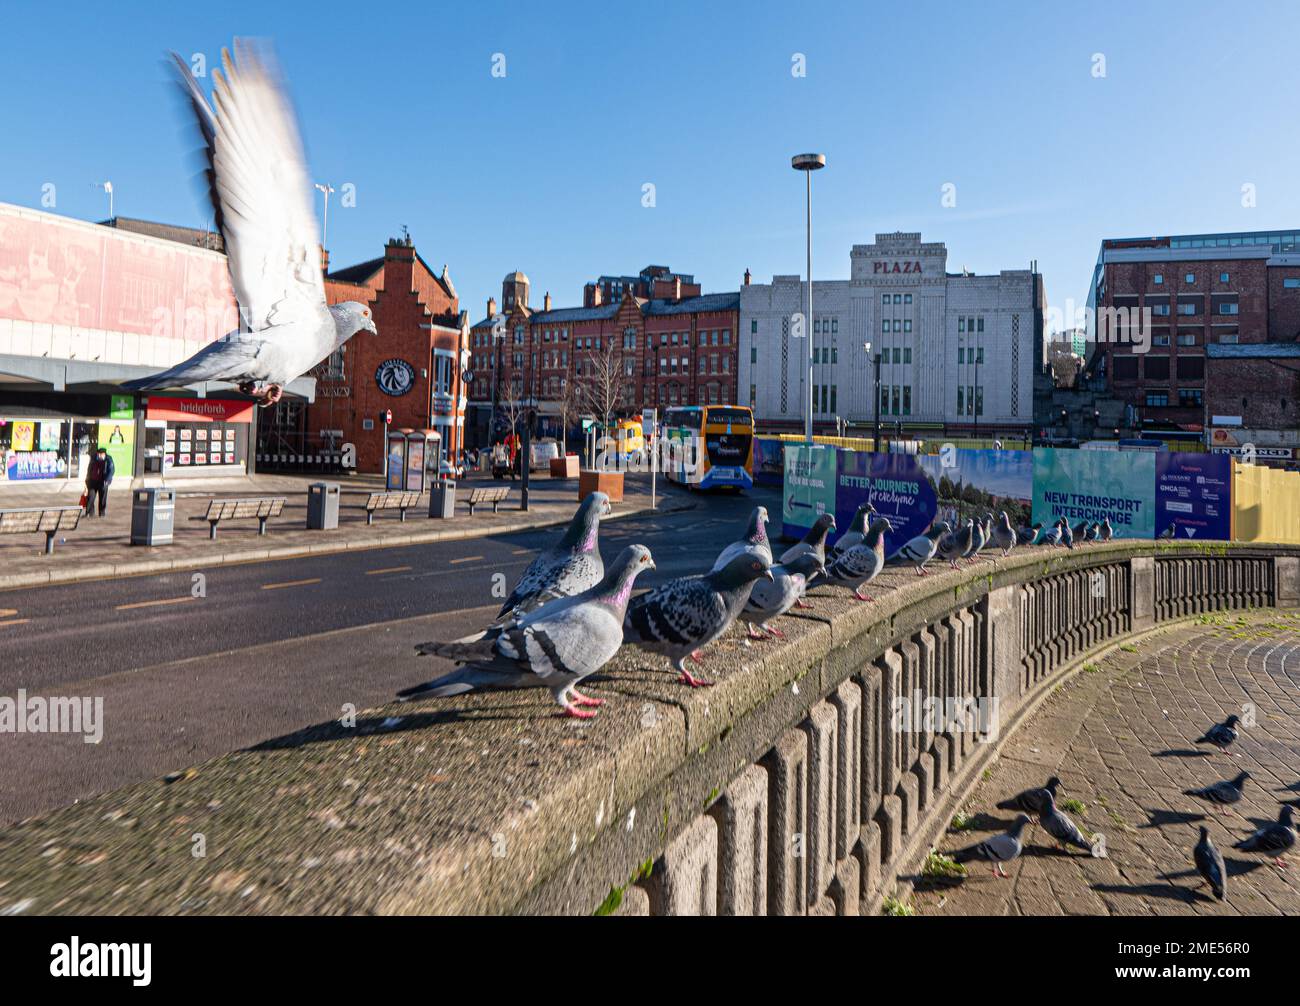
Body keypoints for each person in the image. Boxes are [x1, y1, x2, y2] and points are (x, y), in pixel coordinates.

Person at [84, 446, 114, 518]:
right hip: (92, 481)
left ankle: (102, 513)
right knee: (90, 497)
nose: (100, 455)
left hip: (103, 482)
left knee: (102, 498)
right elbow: (89, 469)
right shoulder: (94, 458)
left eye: (102, 454)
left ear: (104, 454)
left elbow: (111, 470)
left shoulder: (108, 459)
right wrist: (87, 479)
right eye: (99, 454)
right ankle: (89, 513)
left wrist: (107, 480)